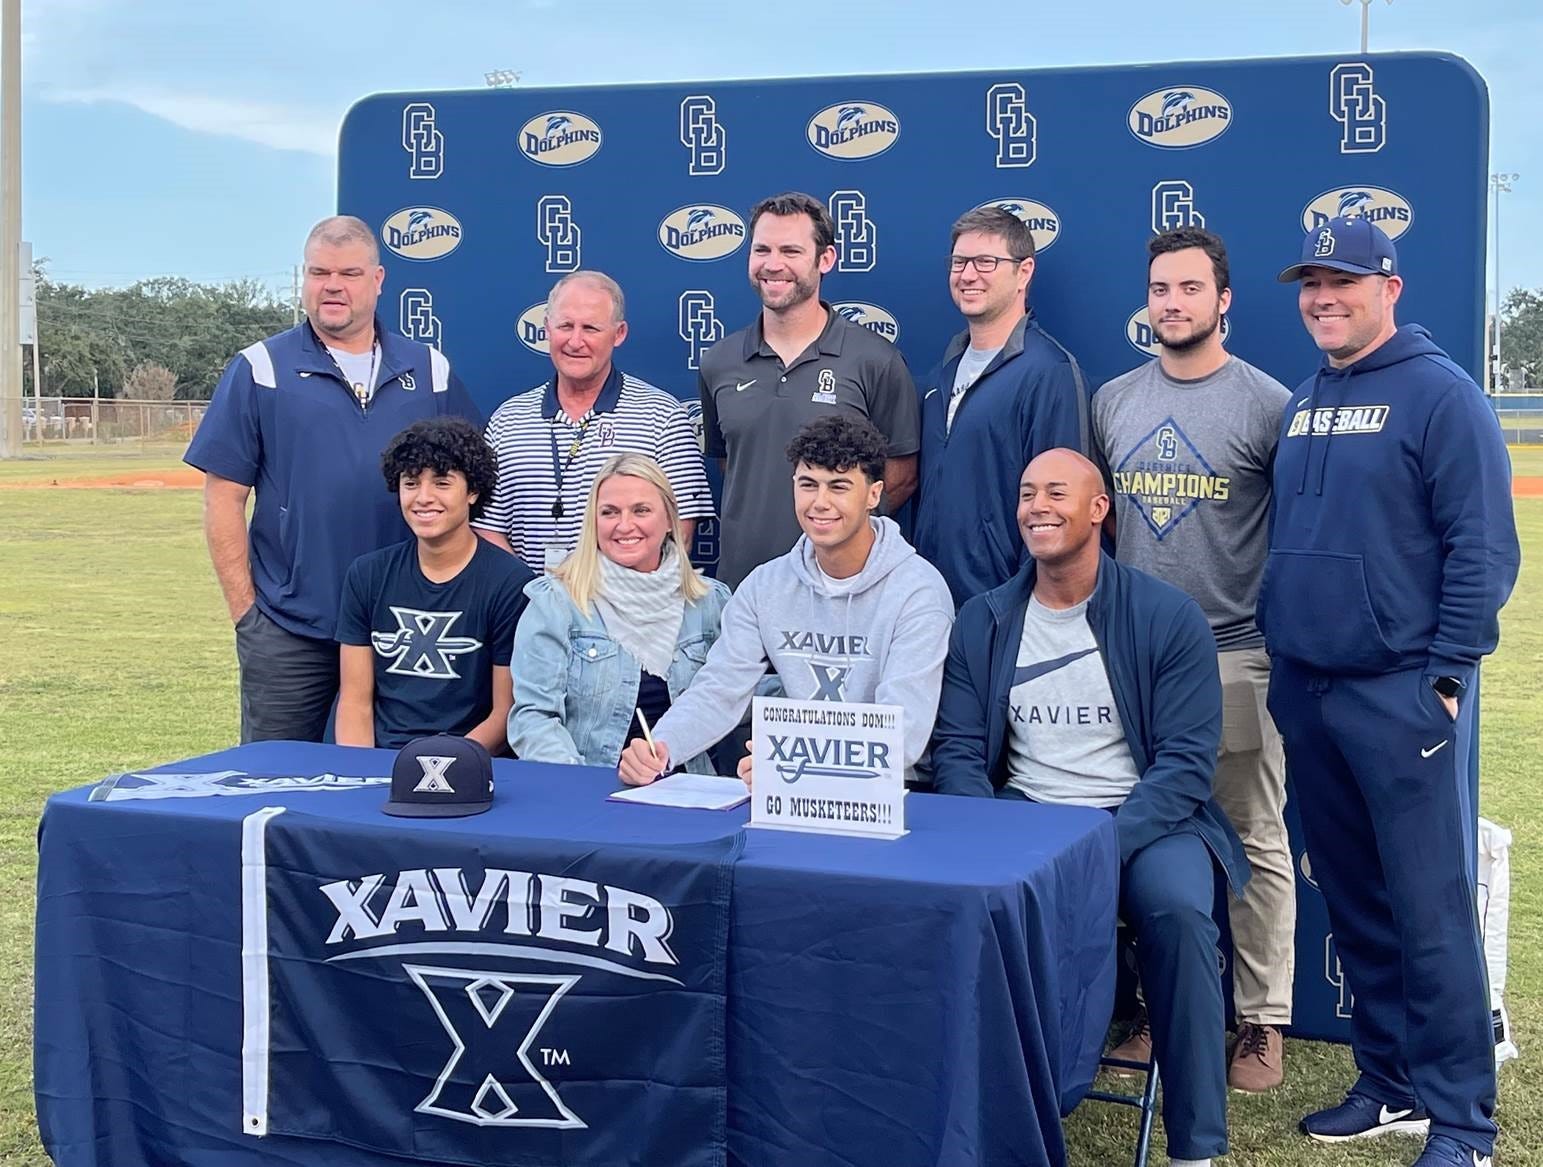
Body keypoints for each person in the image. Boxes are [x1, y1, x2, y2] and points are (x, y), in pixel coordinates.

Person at [1264, 216, 1518, 1167]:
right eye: (1310, 283)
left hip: (1399, 691)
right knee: (1358, 900)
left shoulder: (1440, 394)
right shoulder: (1304, 397)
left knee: (1429, 908)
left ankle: (1461, 1120)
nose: (1323, 297)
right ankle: (1390, 1080)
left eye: (1343, 282)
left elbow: (1482, 550)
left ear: (1388, 287)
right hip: (1309, 687)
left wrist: (1445, 678)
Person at [932, 448, 1247, 1167]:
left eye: (1055, 492)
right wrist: (987, 833)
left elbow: (1184, 768)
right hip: (1023, 815)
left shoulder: (1166, 616)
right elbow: (955, 748)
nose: (1035, 506)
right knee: (966, 903)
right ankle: (980, 1116)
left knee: (1176, 915)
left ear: (1098, 509)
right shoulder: (983, 619)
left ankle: (1194, 1145)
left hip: (1142, 822)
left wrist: (1098, 845)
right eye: (1024, 493)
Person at [1091, 226, 1294, 1092]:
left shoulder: (1265, 403)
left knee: (1252, 837)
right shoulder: (1112, 400)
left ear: (1223, 301)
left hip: (1235, 654)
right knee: (1136, 834)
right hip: (1132, 662)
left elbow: (1299, 536)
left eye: (1188, 289)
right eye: (1159, 289)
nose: (1171, 303)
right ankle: (1153, 1005)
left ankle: (1261, 1021)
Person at [185, 214, 482, 743]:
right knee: (276, 780)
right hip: (290, 628)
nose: (332, 287)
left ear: (378, 279)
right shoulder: (260, 368)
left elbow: (467, 487)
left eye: (347, 273)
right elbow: (223, 499)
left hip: (402, 627)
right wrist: (248, 615)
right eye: (319, 273)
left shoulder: (428, 369)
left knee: (392, 782)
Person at [618, 414, 952, 786]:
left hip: (893, 791)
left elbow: (902, 732)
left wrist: (793, 759)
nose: (820, 502)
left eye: (839, 487)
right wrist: (661, 747)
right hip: (792, 785)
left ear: (874, 494)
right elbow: (719, 690)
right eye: (808, 484)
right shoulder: (766, 585)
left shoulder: (918, 591)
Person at [699, 192, 920, 588]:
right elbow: (732, 464)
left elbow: (900, 476)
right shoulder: (719, 362)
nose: (773, 264)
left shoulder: (875, 360)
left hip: (844, 590)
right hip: (743, 589)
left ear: (826, 260)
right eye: (761, 249)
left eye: (791, 251)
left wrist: (837, 536)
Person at [475, 271, 713, 572]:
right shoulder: (507, 420)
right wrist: (537, 600)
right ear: (547, 328)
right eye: (565, 326)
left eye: (590, 328)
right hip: (526, 610)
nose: (576, 341)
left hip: (624, 612)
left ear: (619, 333)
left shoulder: (662, 416)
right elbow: (486, 528)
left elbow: (680, 533)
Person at [508, 453, 730, 771]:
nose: (624, 525)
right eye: (610, 512)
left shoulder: (710, 601)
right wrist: (583, 785)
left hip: (692, 793)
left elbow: (738, 695)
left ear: (670, 520)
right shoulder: (556, 602)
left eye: (641, 510)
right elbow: (534, 718)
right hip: (591, 795)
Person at [914, 205, 1089, 605]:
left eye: (986, 262)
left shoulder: (1049, 371)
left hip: (1006, 605)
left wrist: (1034, 606)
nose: (968, 275)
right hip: (931, 603)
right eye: (959, 262)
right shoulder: (944, 370)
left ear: (1023, 272)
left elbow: (1065, 505)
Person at [335, 417, 534, 752]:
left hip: (469, 762)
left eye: (442, 483)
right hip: (382, 762)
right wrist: (361, 773)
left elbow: (505, 712)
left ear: (472, 491)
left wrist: (440, 767)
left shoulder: (511, 583)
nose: (423, 498)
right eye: (411, 484)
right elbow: (355, 702)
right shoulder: (367, 575)